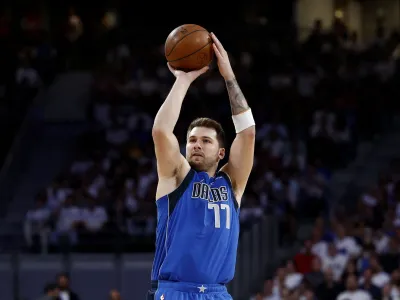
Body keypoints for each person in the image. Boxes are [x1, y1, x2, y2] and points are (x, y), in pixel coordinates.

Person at [146, 33, 255, 300]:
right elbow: (161, 131)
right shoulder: (176, 178)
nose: (196, 145)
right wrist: (182, 81)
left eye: (205, 141)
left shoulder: (232, 183)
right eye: (191, 140)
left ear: (220, 153)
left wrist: (229, 76)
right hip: (175, 291)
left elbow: (248, 133)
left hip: (218, 294)